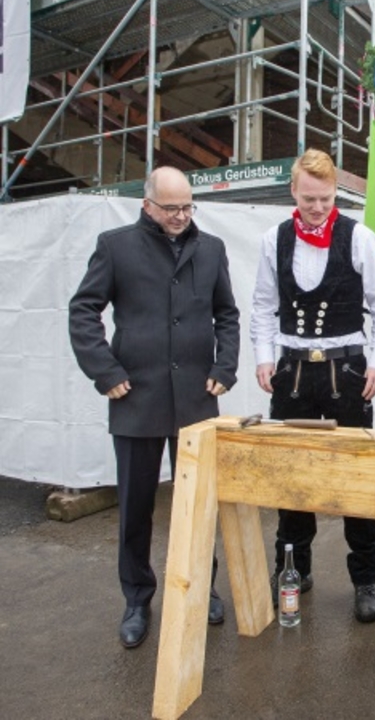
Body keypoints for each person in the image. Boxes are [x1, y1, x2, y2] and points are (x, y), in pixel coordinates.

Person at [69, 166, 240, 649]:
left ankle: (202, 588)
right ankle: (138, 599)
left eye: (187, 207)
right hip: (136, 399)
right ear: (147, 205)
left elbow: (227, 313)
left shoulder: (211, 249)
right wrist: (106, 372)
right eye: (171, 208)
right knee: (137, 508)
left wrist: (224, 367)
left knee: (198, 503)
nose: (181, 216)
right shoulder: (116, 246)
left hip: (195, 400)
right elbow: (83, 310)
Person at [250, 149, 375, 623]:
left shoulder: (359, 236)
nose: (318, 207)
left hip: (347, 373)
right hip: (292, 374)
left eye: (326, 198)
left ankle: (366, 580)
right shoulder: (275, 238)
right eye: (309, 198)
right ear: (293, 191)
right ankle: (293, 570)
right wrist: (265, 357)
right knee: (292, 479)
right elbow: (263, 306)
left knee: (356, 481)